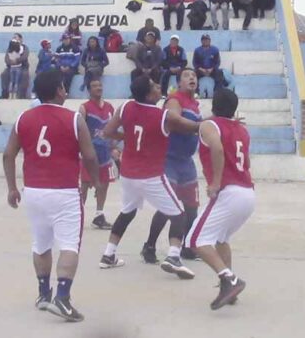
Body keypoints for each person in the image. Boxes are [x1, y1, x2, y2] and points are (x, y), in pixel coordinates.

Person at [3, 70, 101, 322]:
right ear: (59, 90)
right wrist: (95, 180)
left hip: (34, 191)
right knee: (69, 245)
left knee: (41, 244)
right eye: (63, 87)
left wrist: (12, 187)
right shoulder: (74, 119)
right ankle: (63, 297)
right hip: (64, 191)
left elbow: (8, 154)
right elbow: (90, 156)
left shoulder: (24, 118)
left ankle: (43, 293)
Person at [98, 75, 201, 279]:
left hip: (128, 173)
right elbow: (190, 126)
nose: (158, 86)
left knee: (127, 212)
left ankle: (108, 254)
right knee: (179, 214)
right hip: (151, 175)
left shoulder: (126, 107)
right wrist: (213, 124)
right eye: (154, 86)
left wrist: (126, 136)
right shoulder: (162, 116)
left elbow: (108, 131)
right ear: (148, 94)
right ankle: (173, 256)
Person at [187, 88, 254, 309]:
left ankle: (229, 280)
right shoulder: (242, 130)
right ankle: (230, 290)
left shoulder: (209, 125)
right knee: (221, 238)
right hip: (247, 193)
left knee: (195, 240)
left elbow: (216, 148)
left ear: (213, 104)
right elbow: (246, 162)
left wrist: (215, 182)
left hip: (229, 192)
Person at [143, 69, 202, 263]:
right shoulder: (174, 100)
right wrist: (200, 126)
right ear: (178, 83)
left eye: (194, 76)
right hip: (169, 159)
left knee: (191, 207)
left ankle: (186, 247)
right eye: (186, 76)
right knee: (169, 206)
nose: (192, 78)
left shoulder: (195, 104)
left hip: (186, 161)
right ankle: (150, 245)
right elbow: (174, 120)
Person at [79, 79, 117, 230]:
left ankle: (99, 215)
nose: (98, 88)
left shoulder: (109, 107)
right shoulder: (84, 108)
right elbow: (79, 129)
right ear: (89, 90)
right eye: (94, 86)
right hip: (90, 153)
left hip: (105, 152)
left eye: (100, 85)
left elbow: (113, 128)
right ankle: (78, 215)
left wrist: (113, 146)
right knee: (85, 184)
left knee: (104, 184)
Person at [1, 34, 30, 99]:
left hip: (22, 67)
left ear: (21, 39)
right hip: (11, 67)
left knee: (25, 75)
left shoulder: (25, 48)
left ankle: (21, 95)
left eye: (15, 37)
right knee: (4, 74)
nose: (14, 38)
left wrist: (16, 60)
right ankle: (5, 95)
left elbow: (25, 57)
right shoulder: (10, 48)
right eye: (13, 37)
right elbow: (6, 59)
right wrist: (11, 62)